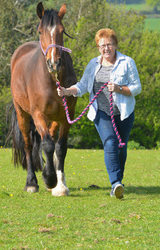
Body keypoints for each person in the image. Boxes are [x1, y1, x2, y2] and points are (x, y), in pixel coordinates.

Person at [57, 28, 141, 199]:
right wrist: (66, 91)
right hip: (101, 112)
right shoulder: (93, 64)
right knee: (110, 143)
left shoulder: (127, 62)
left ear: (116, 45)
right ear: (98, 48)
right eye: (102, 45)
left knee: (121, 147)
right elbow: (82, 86)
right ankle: (115, 183)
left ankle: (118, 182)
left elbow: (136, 87)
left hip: (123, 112)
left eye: (109, 44)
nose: (106, 48)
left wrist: (118, 88)